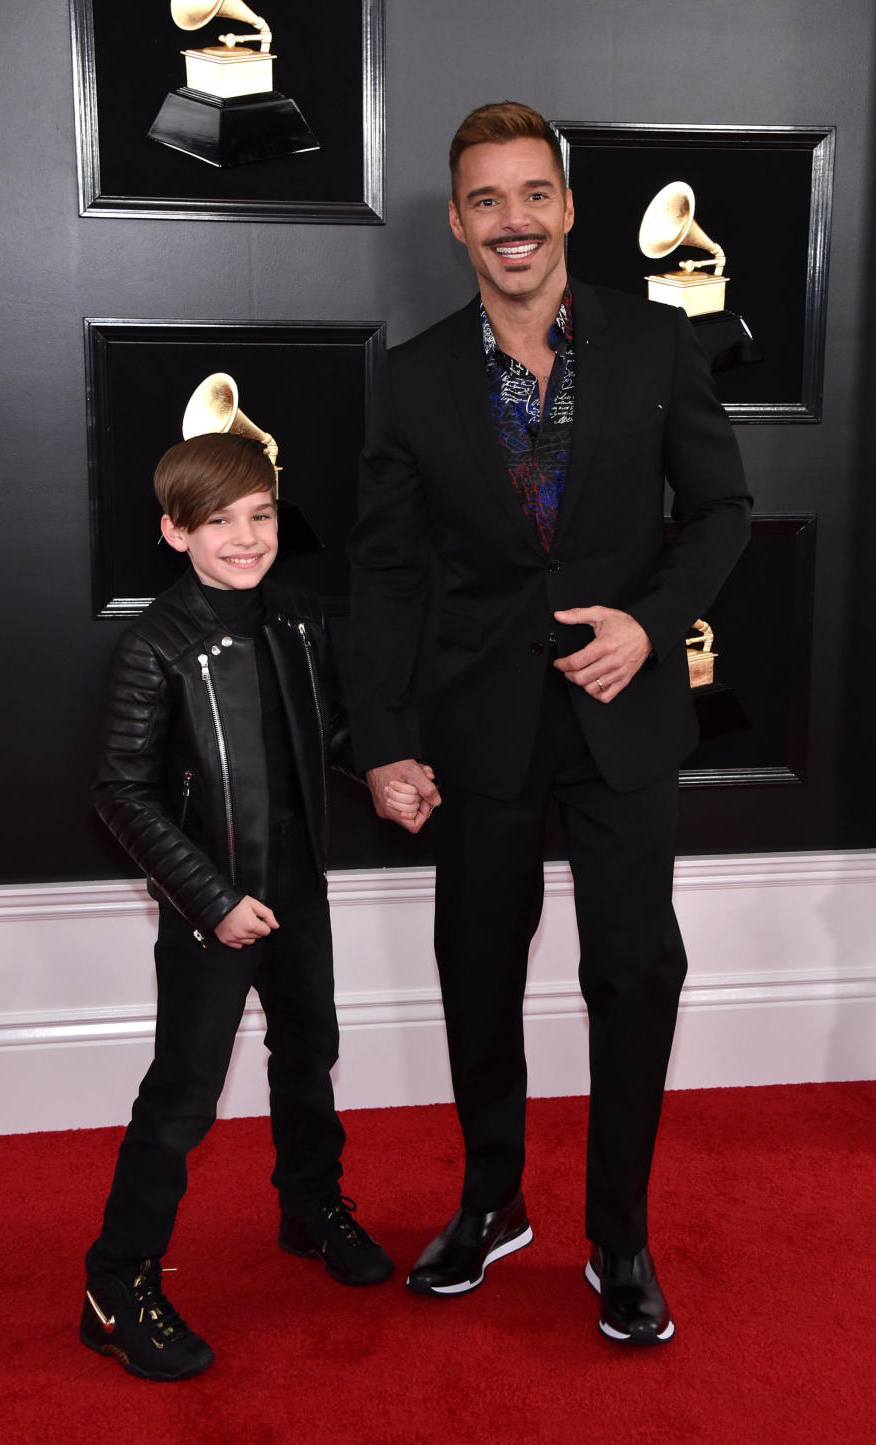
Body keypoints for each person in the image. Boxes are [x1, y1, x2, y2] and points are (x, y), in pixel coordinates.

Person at [346, 101, 752, 1344]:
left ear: (568, 207)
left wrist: (650, 620)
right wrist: (382, 735)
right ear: (460, 221)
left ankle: (618, 1236)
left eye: (534, 195)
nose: (512, 221)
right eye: (486, 200)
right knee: (477, 968)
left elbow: (723, 509)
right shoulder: (412, 378)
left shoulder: (657, 343)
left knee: (635, 973)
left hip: (622, 716)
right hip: (478, 725)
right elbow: (387, 577)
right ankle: (490, 1202)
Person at [81, 431, 398, 1382]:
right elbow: (120, 793)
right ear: (177, 533)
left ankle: (310, 1206)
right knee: (182, 1094)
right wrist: (214, 899)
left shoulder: (298, 619)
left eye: (259, 516)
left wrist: (382, 770)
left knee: (309, 1053)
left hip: (299, 886)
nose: (246, 537)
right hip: (209, 905)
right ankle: (116, 1283)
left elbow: (325, 730)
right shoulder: (157, 647)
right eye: (220, 522)